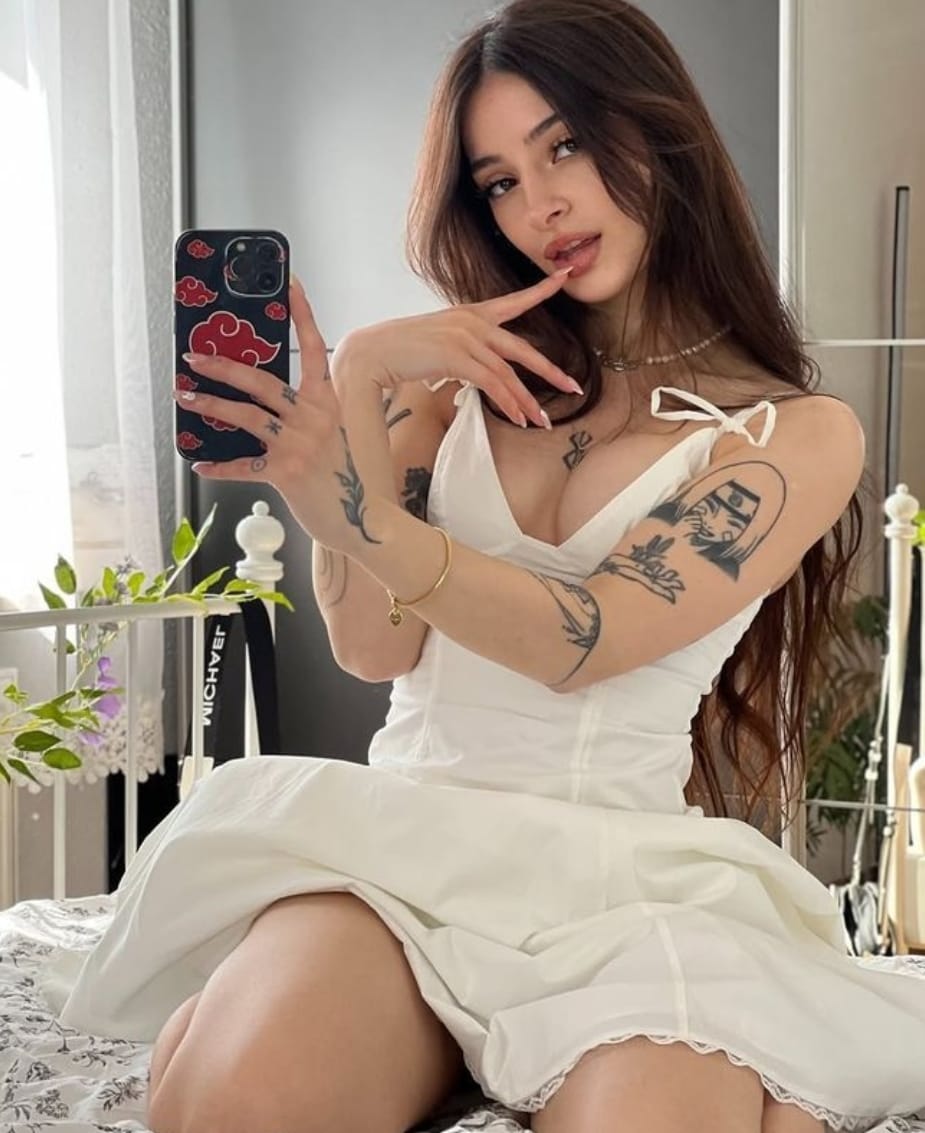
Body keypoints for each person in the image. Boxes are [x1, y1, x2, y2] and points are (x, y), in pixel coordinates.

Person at [40, 2, 925, 1131]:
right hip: (405, 846)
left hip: (622, 884)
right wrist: (359, 390)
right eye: (499, 180)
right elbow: (374, 646)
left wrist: (355, 505)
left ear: (660, 132)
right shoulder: (447, 386)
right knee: (232, 1098)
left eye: (565, 146)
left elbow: (586, 637)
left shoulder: (789, 433)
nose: (539, 202)